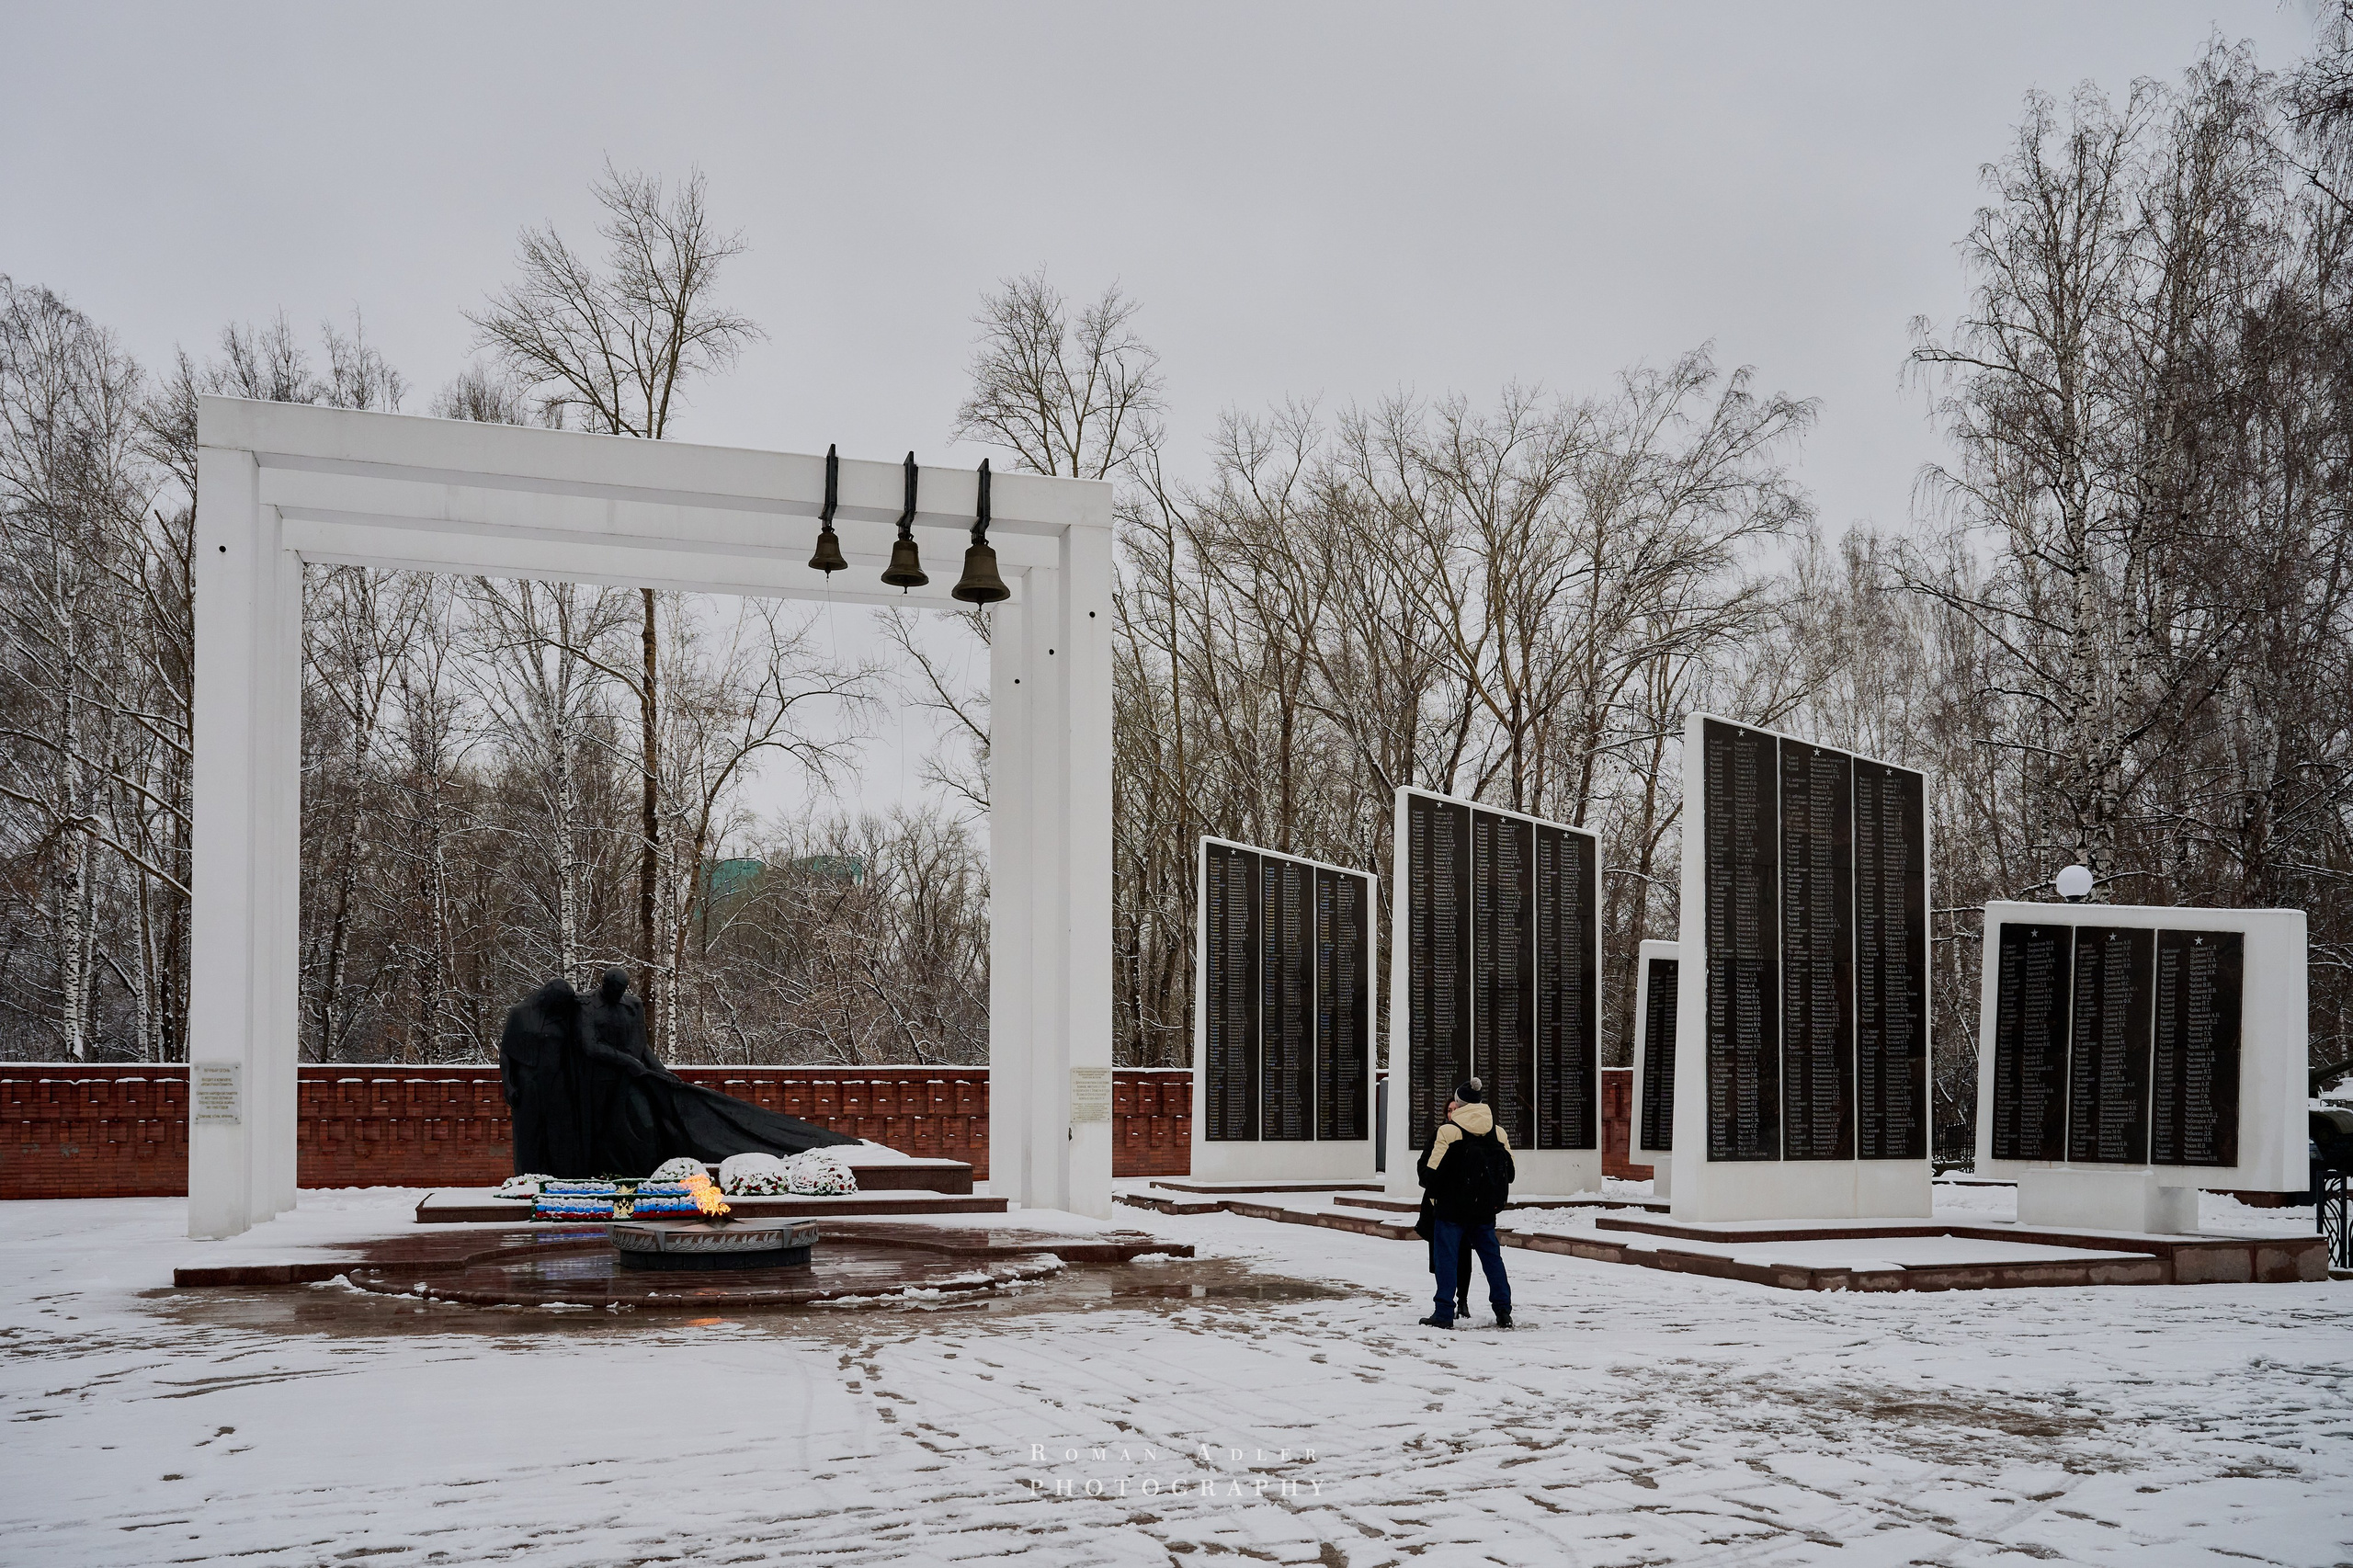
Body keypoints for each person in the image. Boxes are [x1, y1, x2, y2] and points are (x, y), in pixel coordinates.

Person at [1414, 1076, 1514, 1330]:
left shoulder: (1448, 1131)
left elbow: (1430, 1174)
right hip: (1484, 1211)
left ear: (1458, 1104)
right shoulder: (1498, 1132)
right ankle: (1503, 1311)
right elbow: (1510, 1172)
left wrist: (1437, 1194)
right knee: (1492, 1260)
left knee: (1447, 1258)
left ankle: (1444, 1313)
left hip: (1451, 1210)